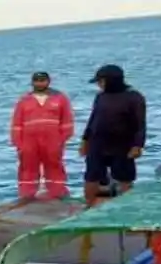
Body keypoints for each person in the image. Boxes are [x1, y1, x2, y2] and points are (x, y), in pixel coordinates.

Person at [79, 64, 147, 207]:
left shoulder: (134, 97)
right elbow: (93, 120)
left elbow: (140, 124)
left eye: (100, 81)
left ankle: (127, 207)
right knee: (91, 176)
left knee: (125, 177)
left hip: (122, 144)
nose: (99, 84)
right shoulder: (101, 97)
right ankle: (89, 206)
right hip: (97, 143)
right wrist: (85, 140)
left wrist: (137, 145)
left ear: (111, 80)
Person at [10, 71, 74, 201]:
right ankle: (27, 194)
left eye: (43, 80)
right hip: (29, 141)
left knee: (54, 165)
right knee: (27, 167)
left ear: (48, 81)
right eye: (37, 80)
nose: (40, 83)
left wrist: (62, 138)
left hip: (53, 140)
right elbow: (17, 123)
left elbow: (67, 120)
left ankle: (58, 192)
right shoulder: (24, 100)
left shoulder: (60, 98)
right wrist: (18, 142)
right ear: (32, 82)